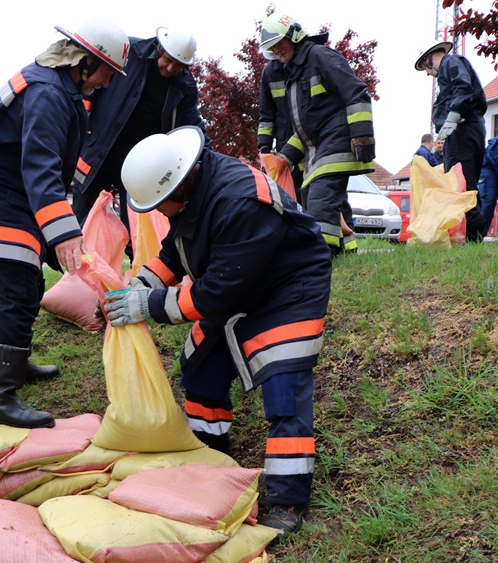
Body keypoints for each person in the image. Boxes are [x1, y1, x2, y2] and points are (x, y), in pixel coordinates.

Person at [104, 126, 333, 534]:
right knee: (201, 369)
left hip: (288, 290)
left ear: (179, 184)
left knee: (284, 393)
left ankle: (286, 500)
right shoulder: (194, 187)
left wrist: (150, 305)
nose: (159, 212)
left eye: (160, 204)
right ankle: (209, 458)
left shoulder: (239, 201)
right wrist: (142, 284)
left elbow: (213, 296)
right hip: (240, 285)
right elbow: (176, 248)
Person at [0, 20, 130, 429]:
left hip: (8, 200)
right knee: (16, 294)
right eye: (106, 71)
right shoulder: (49, 94)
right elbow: (40, 168)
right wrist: (65, 233)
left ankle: (14, 364)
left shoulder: (53, 85)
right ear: (85, 63)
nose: (106, 82)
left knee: (29, 285)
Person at [257, 12, 375, 257]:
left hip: (339, 139)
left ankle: (320, 257)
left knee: (321, 198)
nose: (276, 50)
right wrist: (283, 158)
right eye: (271, 47)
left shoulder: (320, 56)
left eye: (279, 42)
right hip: (318, 145)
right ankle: (334, 252)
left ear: (294, 35)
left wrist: (362, 136)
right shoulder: (295, 70)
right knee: (311, 196)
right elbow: (308, 126)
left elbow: (357, 94)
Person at [71, 26, 207, 231]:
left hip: (142, 164)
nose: (170, 69)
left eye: (178, 66)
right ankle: (81, 262)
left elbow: (192, 123)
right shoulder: (129, 53)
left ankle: (138, 262)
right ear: (159, 49)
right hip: (99, 150)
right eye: (168, 61)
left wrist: (208, 158)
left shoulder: (184, 85)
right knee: (85, 220)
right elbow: (90, 88)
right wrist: (82, 126)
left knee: (139, 227)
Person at [415, 41, 487, 241]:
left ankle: (473, 236)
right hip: (464, 130)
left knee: (461, 183)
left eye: (426, 69)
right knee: (464, 182)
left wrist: (453, 115)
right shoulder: (450, 67)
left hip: (463, 130)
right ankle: (470, 235)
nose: (428, 73)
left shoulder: (450, 63)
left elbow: (463, 87)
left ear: (429, 60)